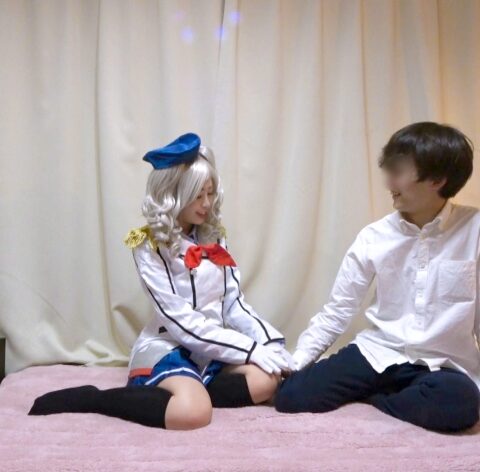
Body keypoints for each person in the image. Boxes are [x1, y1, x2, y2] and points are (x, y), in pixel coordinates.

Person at [29, 133, 293, 429]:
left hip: (210, 348)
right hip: (169, 346)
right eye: (198, 195)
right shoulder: (148, 245)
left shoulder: (214, 236)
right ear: (174, 193)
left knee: (266, 380)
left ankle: (191, 390)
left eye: (210, 193)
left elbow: (234, 304)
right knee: (193, 414)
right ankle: (96, 399)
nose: (207, 203)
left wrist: (270, 343)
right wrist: (249, 349)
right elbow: (181, 321)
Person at [275, 122, 480, 432]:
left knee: (460, 405)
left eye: (398, 172)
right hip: (379, 352)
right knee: (292, 396)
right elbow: (338, 310)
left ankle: (377, 399)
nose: (389, 183)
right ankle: (390, 394)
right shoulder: (374, 236)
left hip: (442, 363)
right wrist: (297, 362)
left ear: (437, 180)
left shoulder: (474, 229)